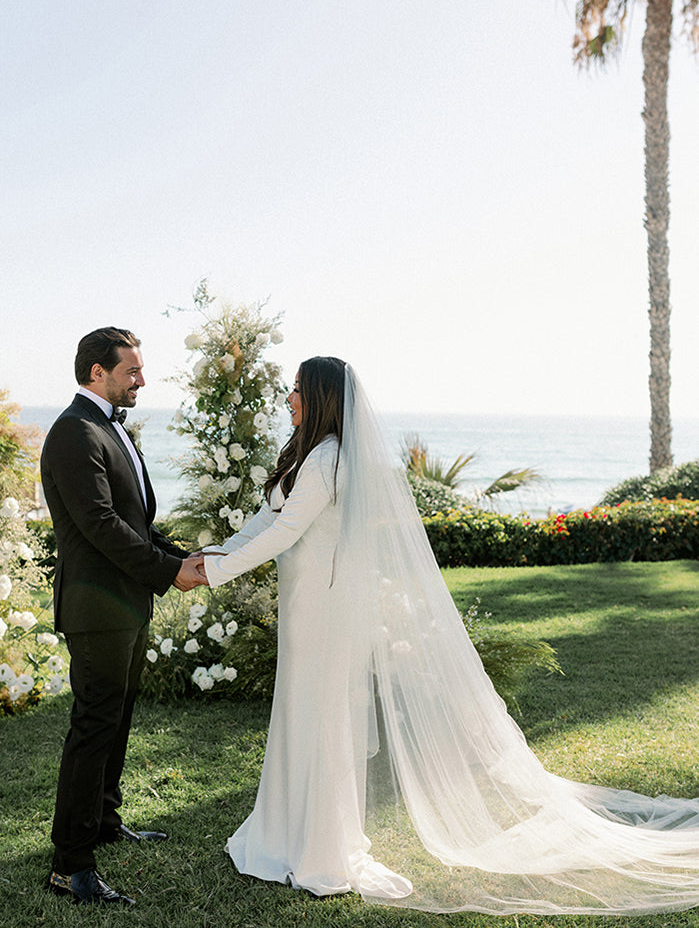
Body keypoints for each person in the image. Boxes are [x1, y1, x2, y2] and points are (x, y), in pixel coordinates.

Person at [197, 357, 699, 915]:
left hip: (325, 611)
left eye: (295, 389)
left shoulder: (327, 459)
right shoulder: (306, 455)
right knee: (299, 713)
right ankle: (286, 831)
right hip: (304, 607)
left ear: (319, 396)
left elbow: (286, 531)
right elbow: (266, 523)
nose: (288, 397)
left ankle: (321, 847)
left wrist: (211, 570)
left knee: (321, 719)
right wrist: (204, 558)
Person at [41, 326, 207, 907]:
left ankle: (106, 823)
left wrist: (178, 555)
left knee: (116, 720)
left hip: (127, 605)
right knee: (93, 728)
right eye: (131, 371)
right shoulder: (73, 433)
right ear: (97, 373)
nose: (141, 380)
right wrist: (168, 572)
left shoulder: (110, 429)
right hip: (96, 611)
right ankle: (70, 864)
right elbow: (100, 527)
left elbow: (134, 523)